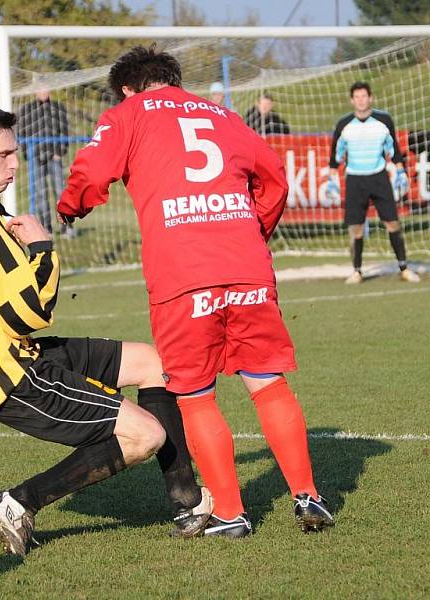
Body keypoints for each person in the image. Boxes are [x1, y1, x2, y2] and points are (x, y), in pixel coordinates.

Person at [0, 101, 213, 557]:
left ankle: (188, 501)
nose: (15, 163)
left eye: (16, 153)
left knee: (155, 364)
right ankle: (18, 502)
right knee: (145, 434)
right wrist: (44, 250)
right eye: (4, 154)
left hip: (22, 353)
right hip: (13, 377)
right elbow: (28, 311)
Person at [58, 46, 334, 538]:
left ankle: (230, 513)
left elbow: (92, 171)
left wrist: (71, 206)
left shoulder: (127, 113)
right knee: (268, 383)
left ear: (127, 88)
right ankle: (308, 497)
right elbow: (273, 176)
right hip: (246, 264)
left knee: (194, 393)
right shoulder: (225, 115)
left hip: (183, 273)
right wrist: (250, 232)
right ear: (174, 80)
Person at [328, 81, 420, 284]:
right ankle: (357, 271)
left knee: (393, 223)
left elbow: (393, 149)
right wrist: (331, 179)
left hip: (378, 177)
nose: (361, 100)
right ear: (352, 100)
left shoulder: (384, 120)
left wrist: (401, 172)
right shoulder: (343, 125)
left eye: (364, 96)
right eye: (357, 97)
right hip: (354, 180)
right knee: (356, 228)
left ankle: (403, 268)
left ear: (371, 98)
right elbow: (336, 155)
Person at [17, 83, 74, 237]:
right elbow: (21, 132)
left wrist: (60, 151)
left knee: (60, 192)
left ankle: (66, 227)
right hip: (35, 156)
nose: (43, 92)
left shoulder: (58, 108)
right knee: (40, 192)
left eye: (46, 88)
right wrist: (27, 152)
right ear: (35, 91)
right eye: (40, 89)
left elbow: (65, 131)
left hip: (54, 155)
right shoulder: (27, 110)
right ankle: (46, 227)